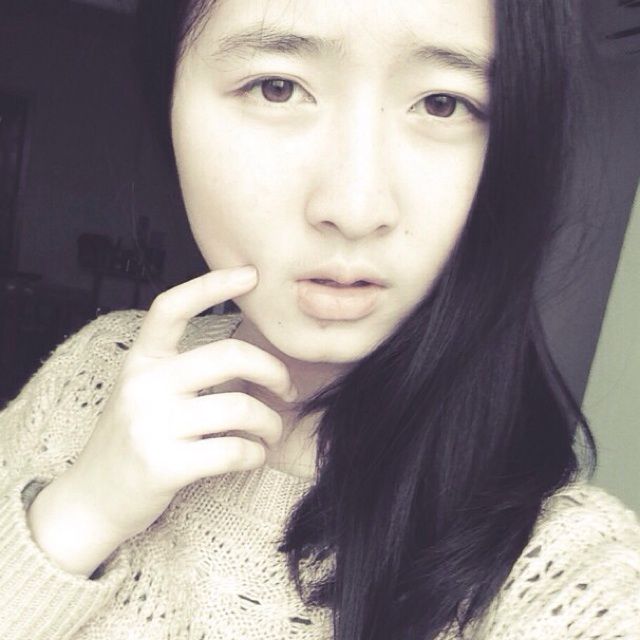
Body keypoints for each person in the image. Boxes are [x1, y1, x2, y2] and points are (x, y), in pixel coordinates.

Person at [0, 0, 639, 638]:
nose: (355, 209)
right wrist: (79, 512)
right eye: (276, 88)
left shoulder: (568, 578)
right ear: (167, 96)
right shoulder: (97, 371)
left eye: (443, 103)